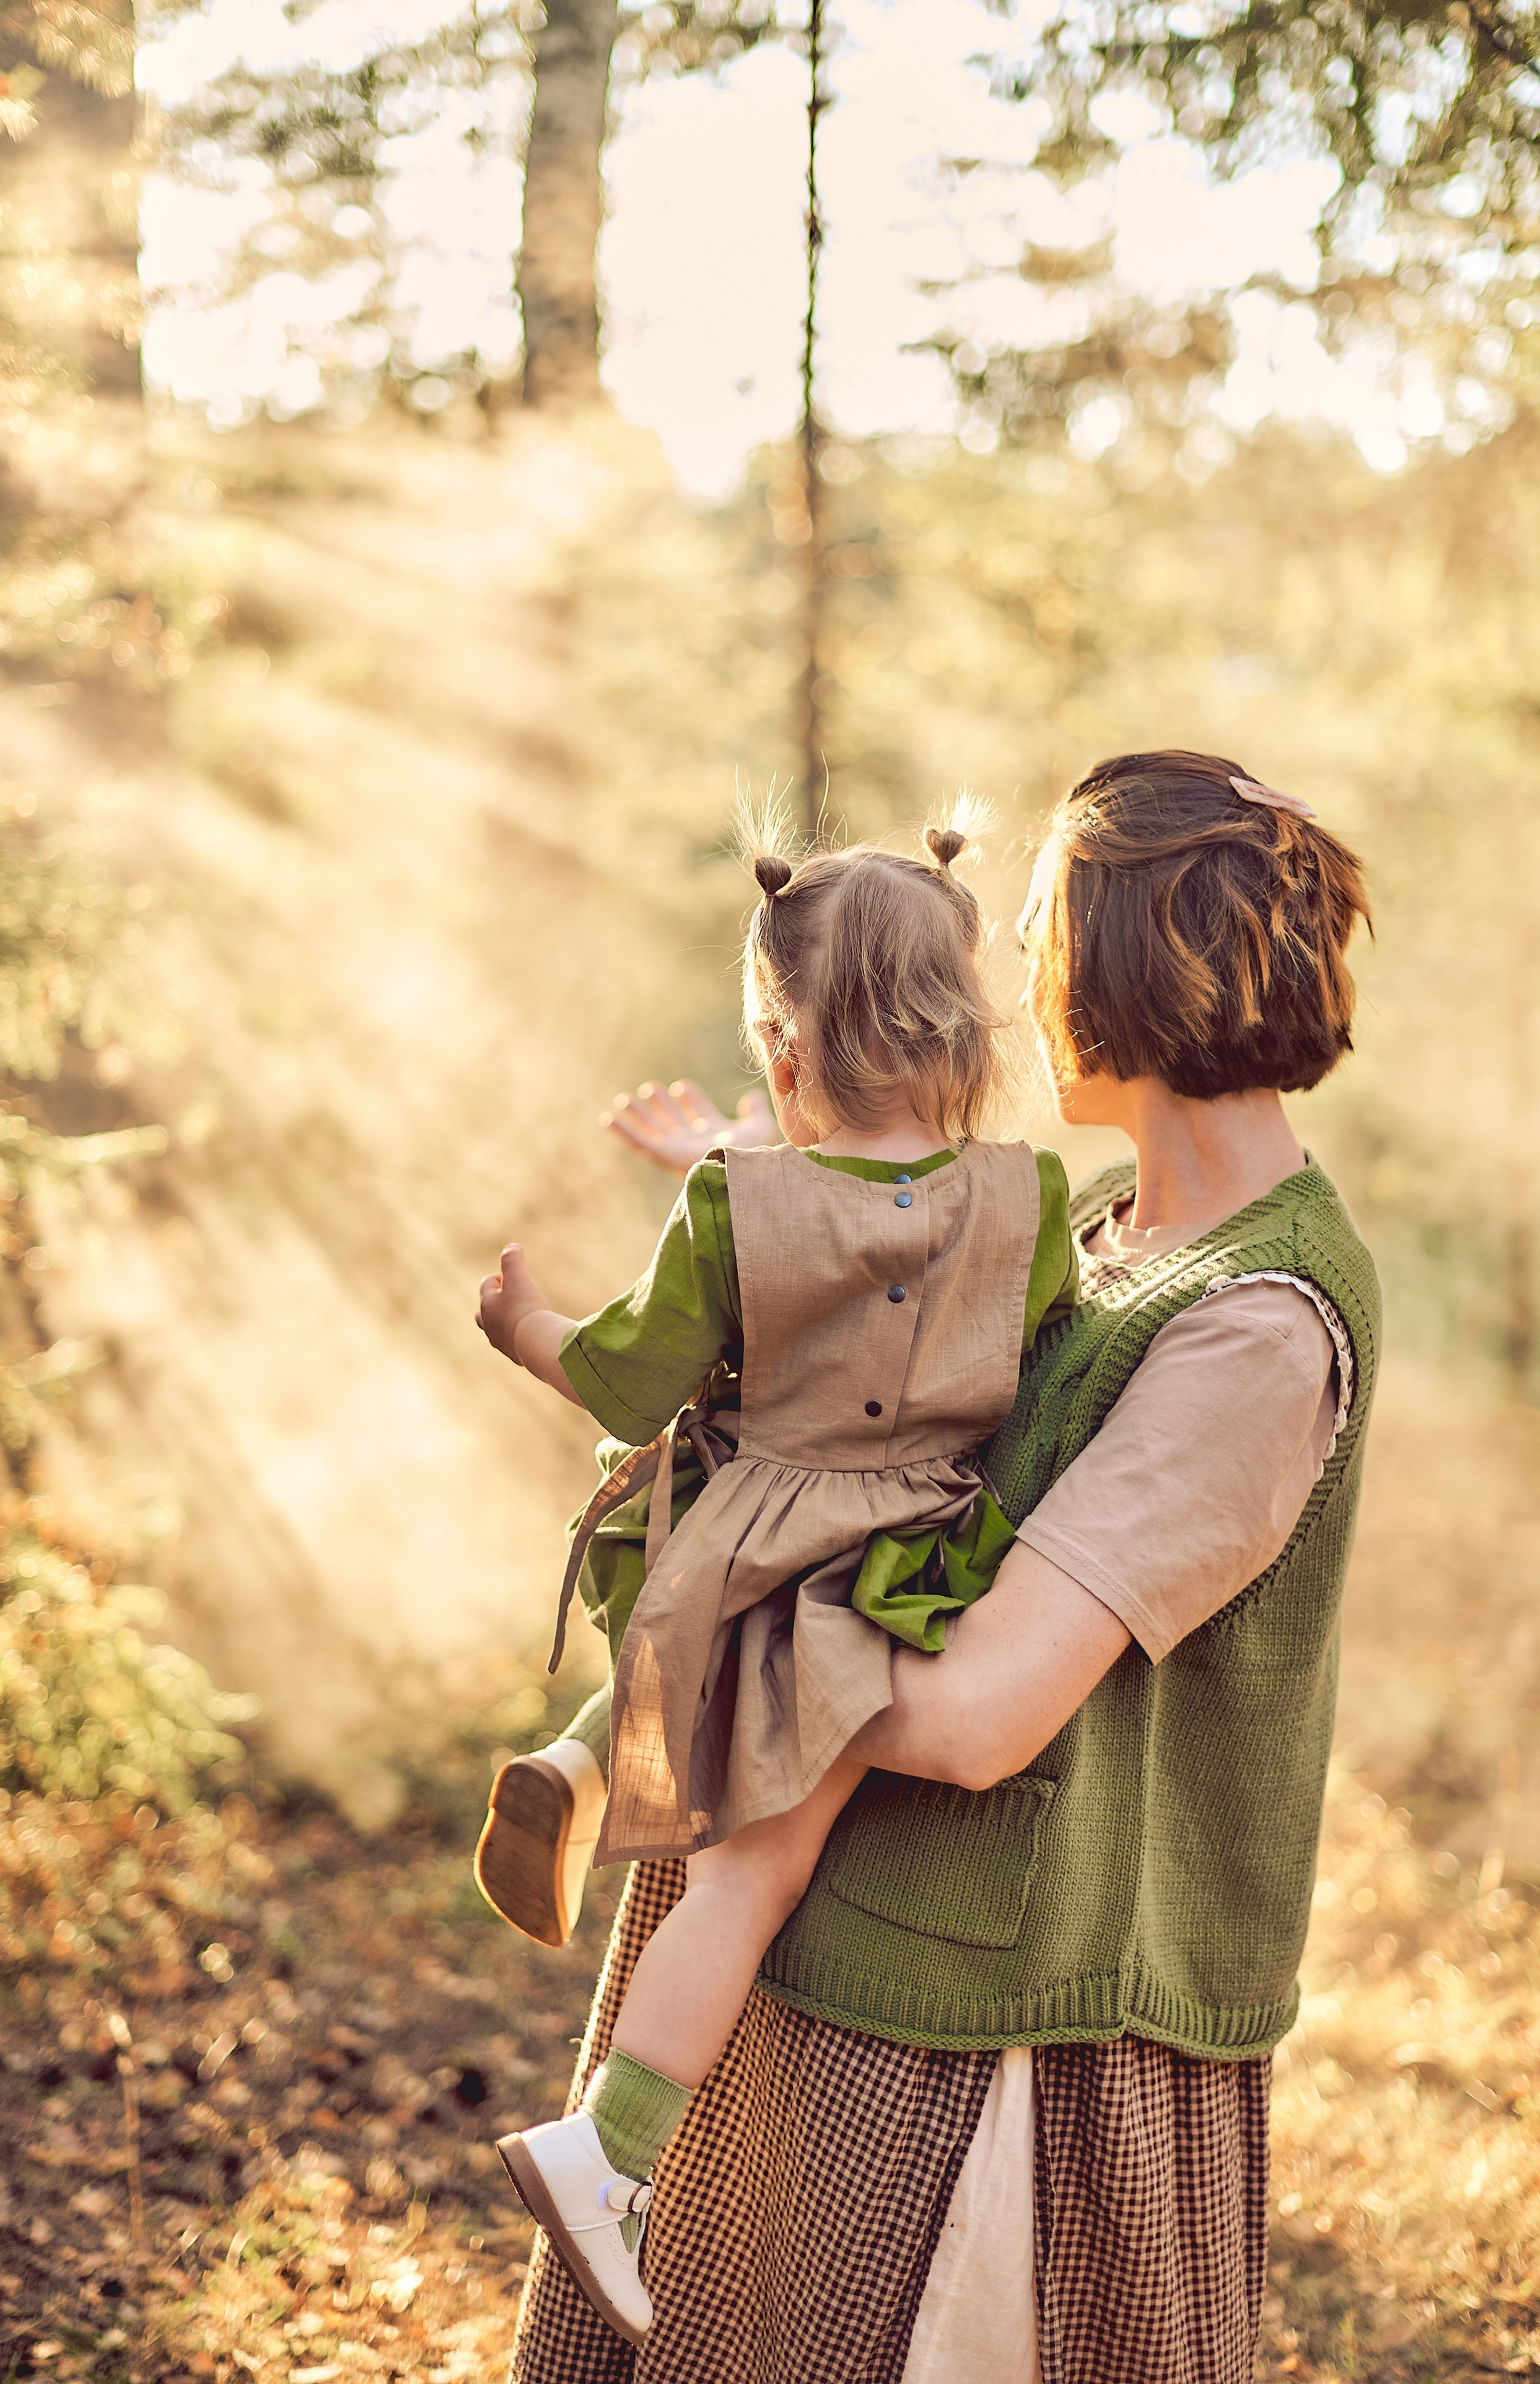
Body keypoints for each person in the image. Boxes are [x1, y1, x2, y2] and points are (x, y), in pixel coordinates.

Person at [505, 748, 1380, 2384]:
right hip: (819, 1933)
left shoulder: (1255, 1327)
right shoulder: (1110, 1232)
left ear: (1121, 962)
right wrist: (742, 1175)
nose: (1000, 966)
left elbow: (980, 1717)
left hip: (987, 2031)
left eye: (1036, 925)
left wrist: (703, 1630)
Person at [475, 810, 1077, 2344]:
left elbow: (629, 1377)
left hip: (738, 1542)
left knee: (704, 1687)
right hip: (882, 1579)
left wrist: (527, 1329)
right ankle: (603, 2130)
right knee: (758, 1863)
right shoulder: (1033, 1208)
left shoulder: (735, 1205)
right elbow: (960, 1298)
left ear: (785, 1051)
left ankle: (580, 1801)